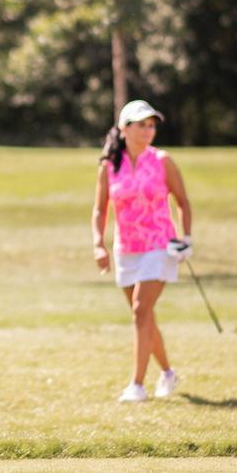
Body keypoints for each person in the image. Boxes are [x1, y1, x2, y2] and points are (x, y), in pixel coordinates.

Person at [91, 100, 193, 403]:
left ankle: (137, 385)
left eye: (151, 125)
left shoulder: (162, 161)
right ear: (124, 129)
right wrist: (98, 243)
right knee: (144, 316)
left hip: (159, 244)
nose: (148, 130)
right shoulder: (109, 166)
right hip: (127, 248)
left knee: (140, 310)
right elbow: (100, 209)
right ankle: (168, 372)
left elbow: (183, 202)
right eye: (142, 125)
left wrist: (187, 238)